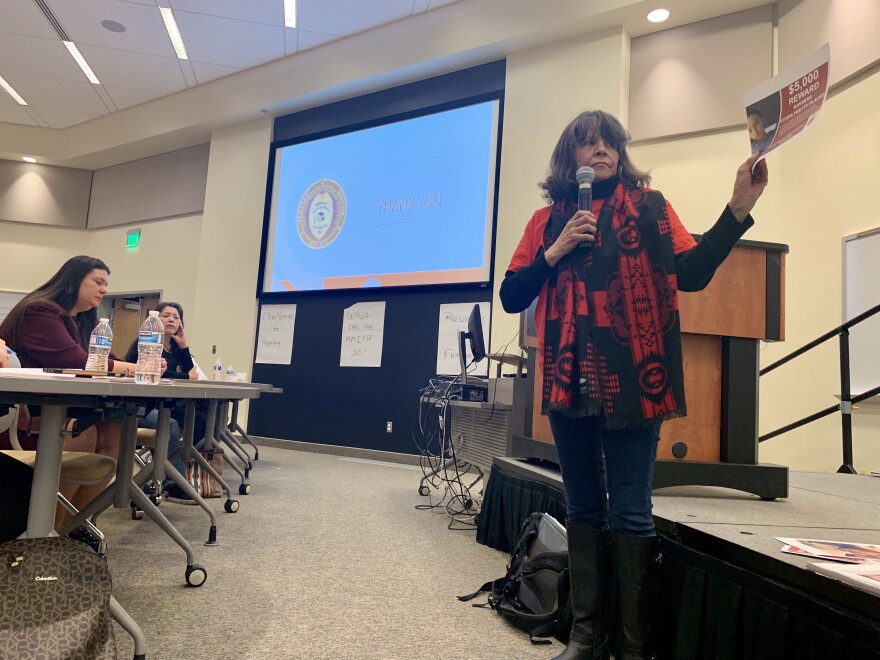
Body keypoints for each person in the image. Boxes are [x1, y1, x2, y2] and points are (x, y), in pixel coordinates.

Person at [500, 110, 768, 660]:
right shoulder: (545, 222)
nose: (601, 153)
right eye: (588, 145)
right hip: (568, 381)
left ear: (620, 155)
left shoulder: (650, 209)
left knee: (630, 510)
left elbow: (691, 274)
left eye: (609, 145)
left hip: (634, 382)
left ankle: (633, 647)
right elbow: (511, 295)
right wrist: (555, 252)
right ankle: (585, 636)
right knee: (581, 506)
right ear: (567, 159)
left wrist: (739, 206)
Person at [0, 255, 138, 526]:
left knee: (113, 429)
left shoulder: (84, 321)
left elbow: (105, 359)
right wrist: (134, 368)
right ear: (74, 281)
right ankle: (49, 529)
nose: (104, 289)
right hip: (21, 416)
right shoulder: (39, 312)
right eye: (98, 282)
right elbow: (76, 362)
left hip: (55, 409)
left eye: (106, 284)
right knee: (82, 433)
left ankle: (76, 525)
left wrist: (134, 366)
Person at [124, 301, 208, 503]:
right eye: (166, 316)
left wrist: (184, 344)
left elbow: (191, 370)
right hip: (143, 405)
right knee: (169, 424)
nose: (171, 319)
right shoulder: (145, 343)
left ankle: (173, 465)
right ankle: (174, 482)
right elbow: (156, 373)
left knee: (202, 421)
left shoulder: (177, 349)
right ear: (155, 320)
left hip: (166, 402)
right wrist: (185, 377)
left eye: (176, 317)